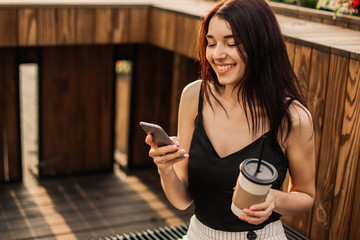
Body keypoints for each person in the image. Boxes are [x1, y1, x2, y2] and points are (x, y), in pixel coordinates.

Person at [145, 0, 316, 239]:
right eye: (211, 43)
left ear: (262, 45)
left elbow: (306, 196)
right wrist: (165, 169)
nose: (217, 54)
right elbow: (182, 200)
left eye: (232, 43)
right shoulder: (194, 96)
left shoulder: (293, 117)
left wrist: (276, 200)